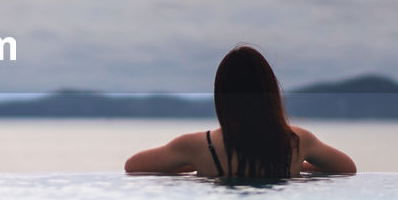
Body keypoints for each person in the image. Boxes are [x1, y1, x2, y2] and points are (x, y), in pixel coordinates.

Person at [124, 44, 356, 178]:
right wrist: (303, 164)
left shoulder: (197, 147)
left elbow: (133, 165)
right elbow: (347, 169)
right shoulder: (297, 142)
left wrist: (192, 163)